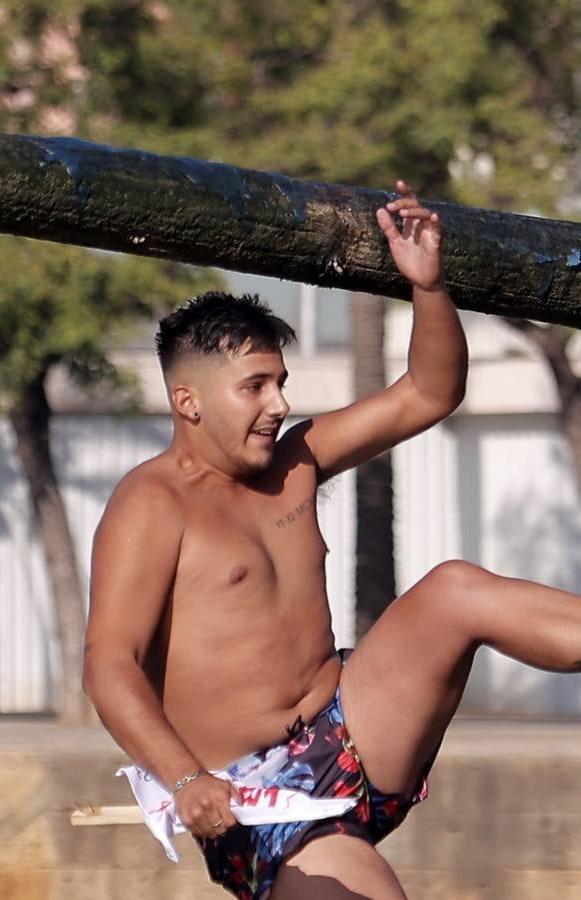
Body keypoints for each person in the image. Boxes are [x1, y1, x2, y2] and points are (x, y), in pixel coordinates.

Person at [83, 181, 581, 899]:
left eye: (280, 382)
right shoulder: (149, 505)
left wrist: (428, 286)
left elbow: (429, 393)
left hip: (354, 721)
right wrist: (186, 778)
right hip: (256, 800)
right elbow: (109, 665)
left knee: (456, 590)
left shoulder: (296, 461)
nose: (280, 404)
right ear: (187, 401)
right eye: (255, 387)